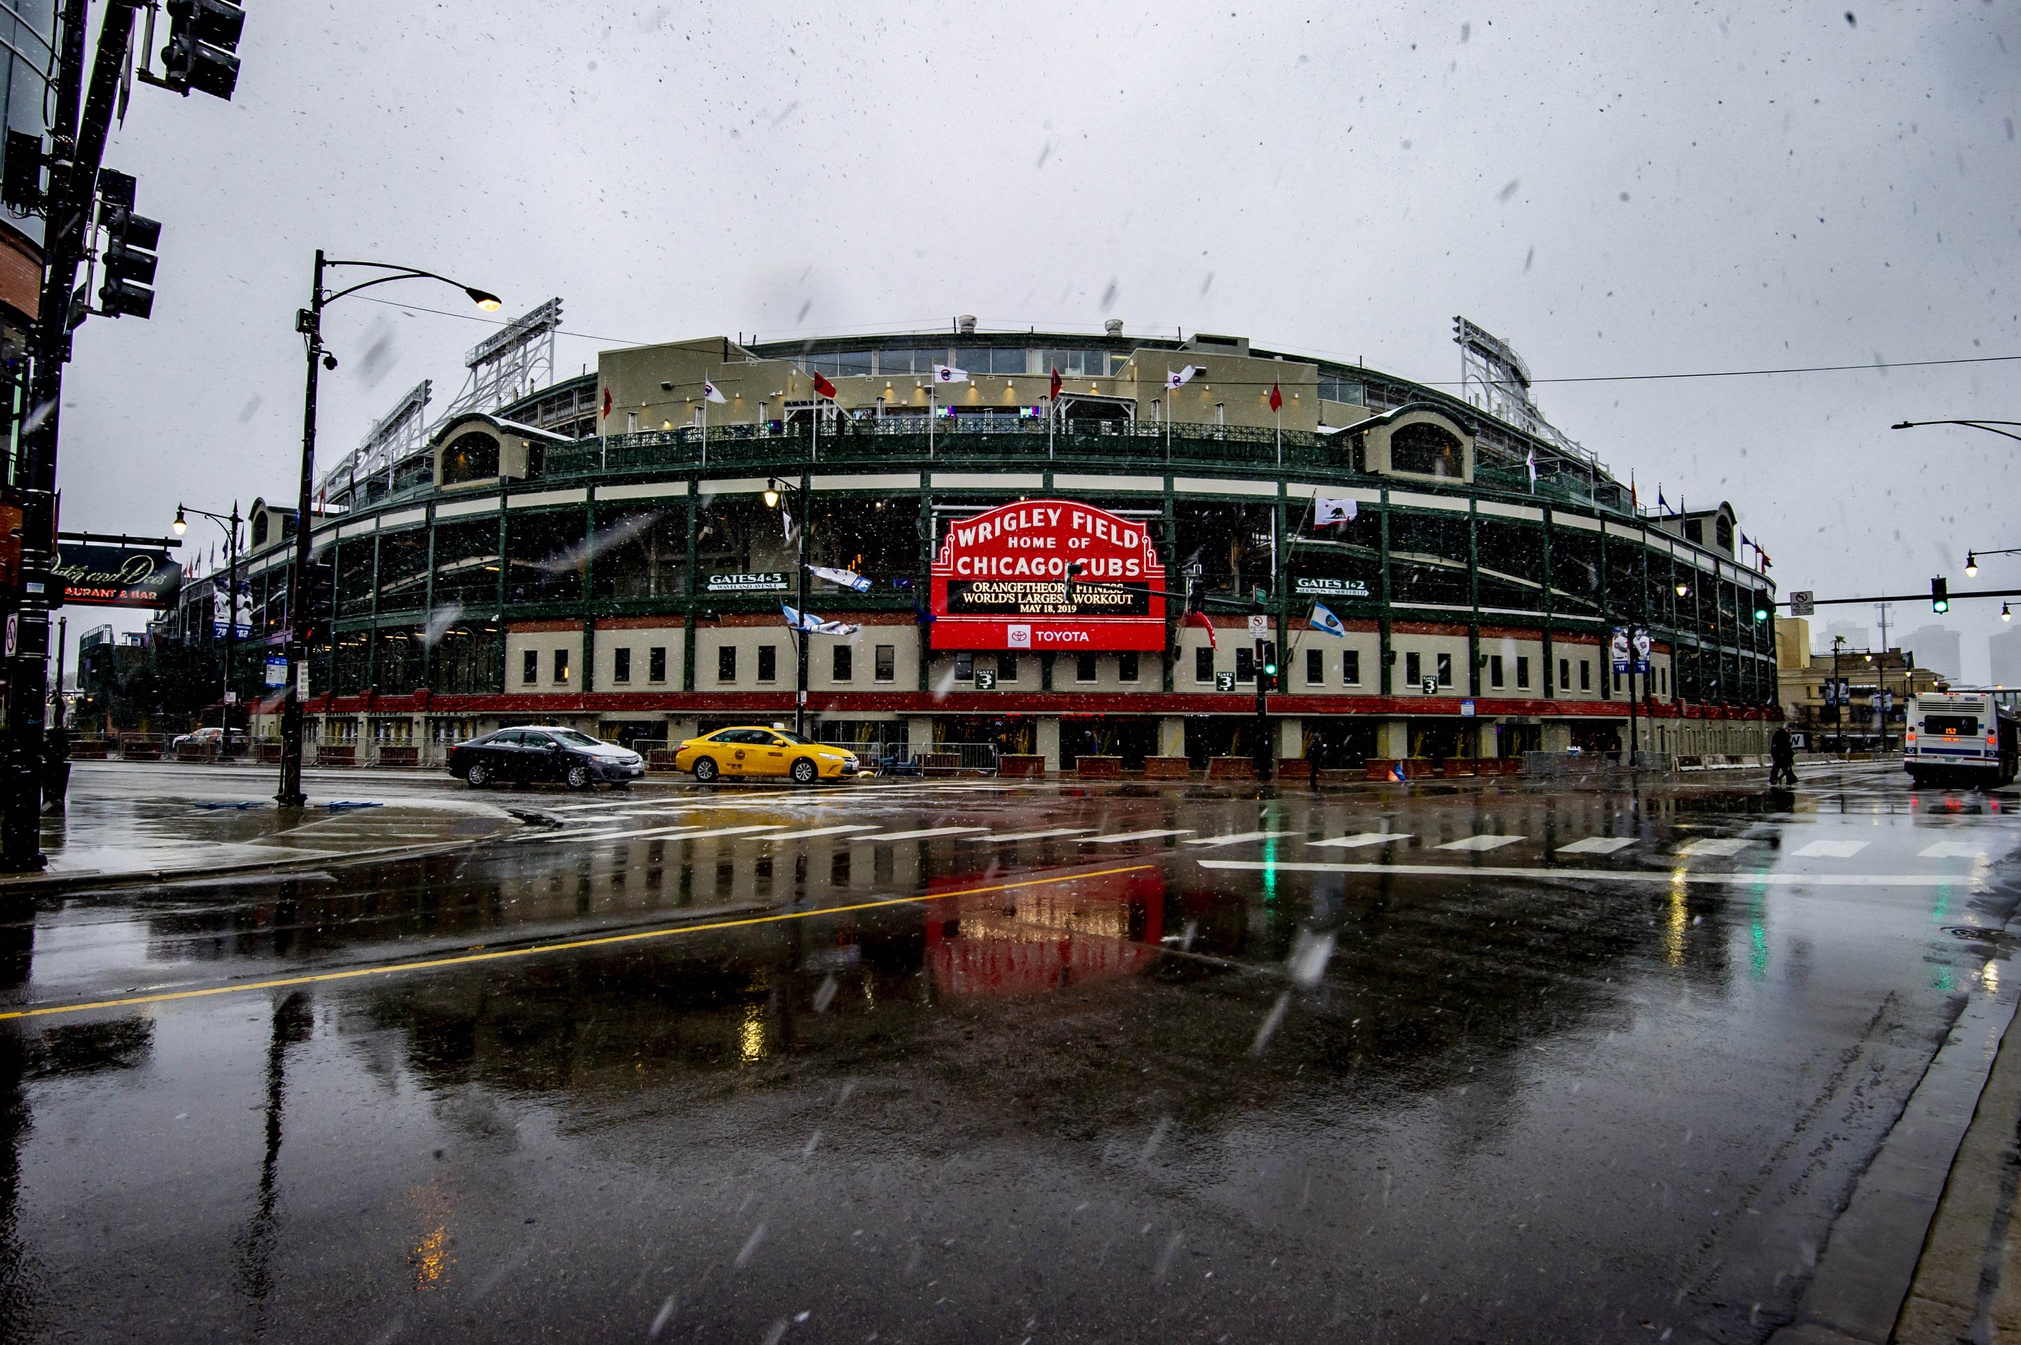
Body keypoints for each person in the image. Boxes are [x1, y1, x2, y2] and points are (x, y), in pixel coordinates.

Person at [1769, 723, 1797, 788]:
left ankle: (1775, 780)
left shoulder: (1784, 734)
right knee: (1783, 768)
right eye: (1788, 729)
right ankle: (1788, 780)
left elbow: (1786, 745)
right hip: (1781, 755)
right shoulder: (1781, 734)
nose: (1789, 731)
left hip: (1782, 755)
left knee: (1782, 768)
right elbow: (1781, 745)